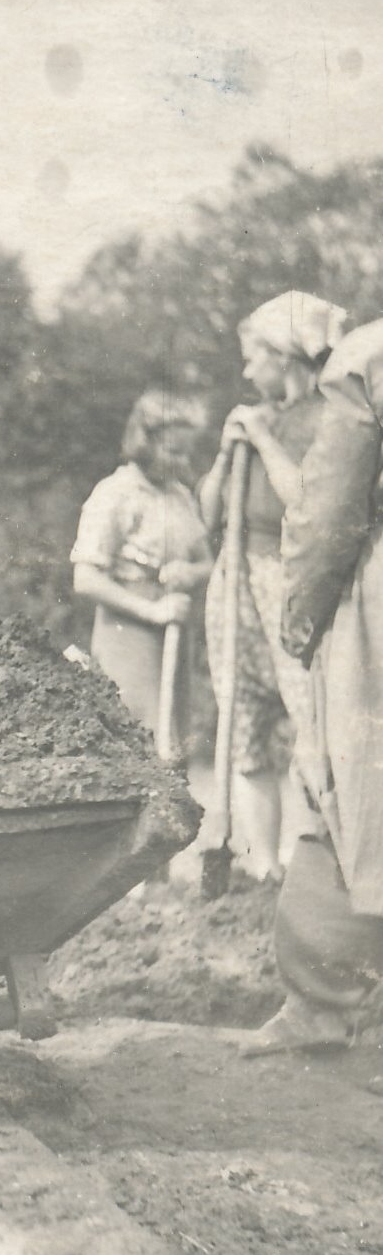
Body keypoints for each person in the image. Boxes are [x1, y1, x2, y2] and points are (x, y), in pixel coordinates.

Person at [242, 317, 383, 1054]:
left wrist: (301, 615)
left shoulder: (370, 354)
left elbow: (329, 510)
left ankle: (321, 1006)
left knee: (342, 784)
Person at [197, 291, 347, 880]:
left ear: (284, 356)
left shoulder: (325, 417)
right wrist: (226, 452)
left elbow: (309, 506)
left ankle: (327, 863)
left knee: (311, 723)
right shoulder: (251, 420)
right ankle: (264, 866)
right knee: (245, 725)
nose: (245, 368)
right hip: (234, 581)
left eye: (253, 354)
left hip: (289, 582)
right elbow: (209, 517)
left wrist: (261, 439)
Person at [70, 390, 212, 748]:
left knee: (174, 738)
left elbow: (208, 562)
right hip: (128, 630)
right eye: (172, 451)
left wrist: (189, 572)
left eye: (186, 452)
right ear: (144, 443)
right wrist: (151, 610)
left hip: (176, 625)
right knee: (138, 735)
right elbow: (85, 577)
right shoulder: (115, 493)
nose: (182, 461)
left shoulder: (179, 496)